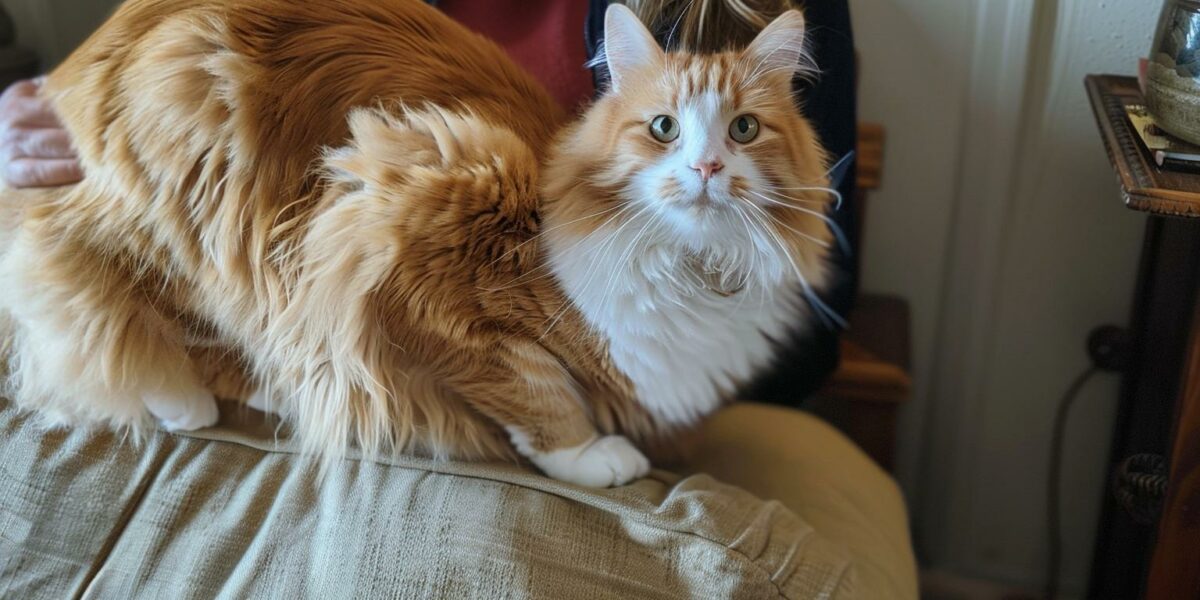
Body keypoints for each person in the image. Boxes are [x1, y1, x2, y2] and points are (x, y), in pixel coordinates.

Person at [0, 0, 856, 403]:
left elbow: (813, 324)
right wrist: (39, 119)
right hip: (218, 325)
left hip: (543, 373)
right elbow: (120, 86)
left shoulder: (754, 15)